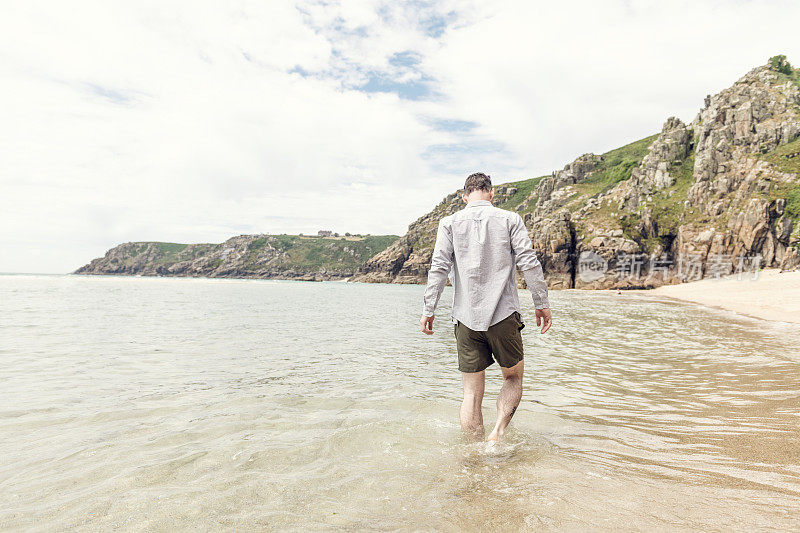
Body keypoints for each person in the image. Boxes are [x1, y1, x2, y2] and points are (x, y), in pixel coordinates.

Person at [419, 172, 552, 445]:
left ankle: (472, 454)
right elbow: (529, 263)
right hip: (504, 315)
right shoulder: (510, 219)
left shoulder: (449, 223)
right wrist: (541, 303)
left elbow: (438, 269)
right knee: (513, 377)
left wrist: (428, 309)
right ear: (491, 193)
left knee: (470, 392)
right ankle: (498, 432)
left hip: (465, 319)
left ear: (465, 196)